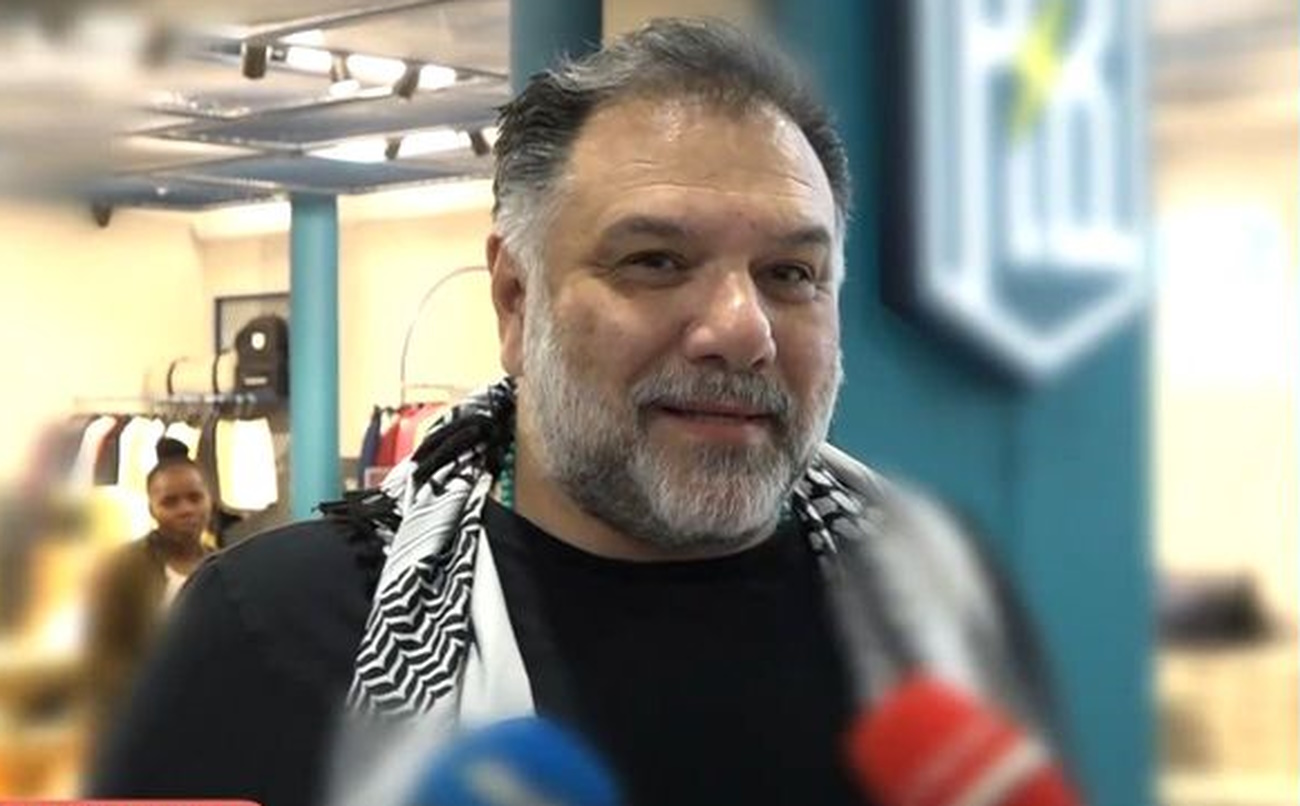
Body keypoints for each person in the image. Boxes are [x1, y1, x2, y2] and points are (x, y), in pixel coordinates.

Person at [89, 18, 1064, 806]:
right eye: (655, 261)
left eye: (790, 273)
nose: (741, 329)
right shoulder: (277, 626)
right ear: (515, 301)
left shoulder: (947, 609)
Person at [83, 437, 215, 753]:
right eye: (170, 502)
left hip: (207, 720)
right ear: (151, 508)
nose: (186, 510)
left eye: (195, 498)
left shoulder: (224, 566)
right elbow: (103, 655)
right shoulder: (124, 567)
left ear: (210, 499)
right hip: (140, 722)